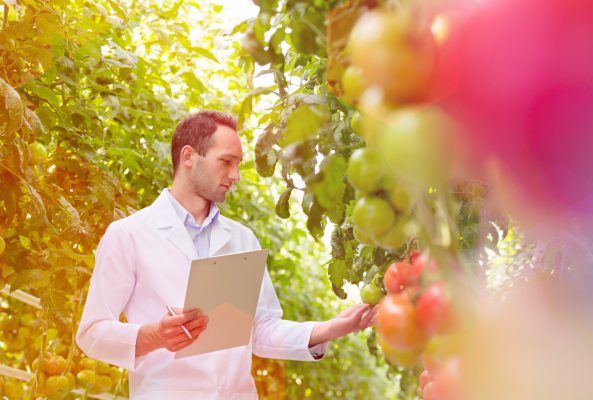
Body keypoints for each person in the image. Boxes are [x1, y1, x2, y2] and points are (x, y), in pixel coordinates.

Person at [76, 110, 378, 400]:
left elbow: (260, 329)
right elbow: (91, 333)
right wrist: (153, 336)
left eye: (238, 164)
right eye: (226, 162)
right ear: (189, 157)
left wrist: (328, 328)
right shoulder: (129, 234)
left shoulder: (242, 239)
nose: (235, 175)